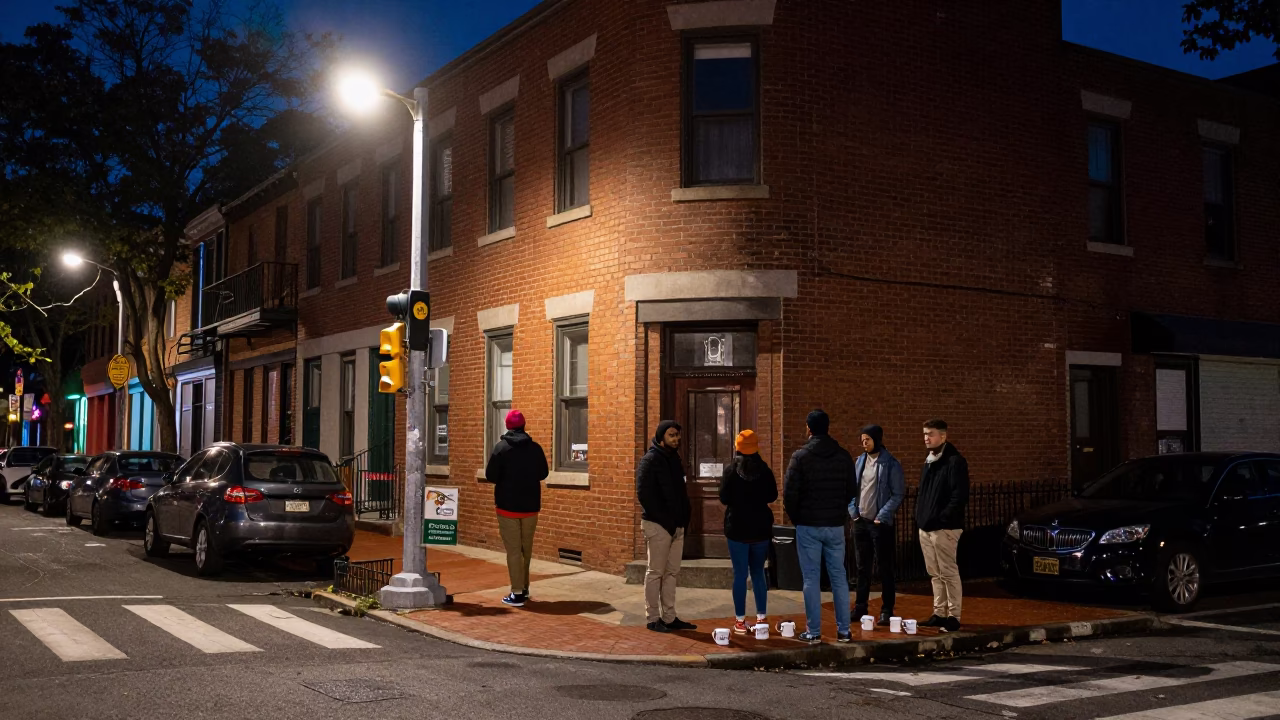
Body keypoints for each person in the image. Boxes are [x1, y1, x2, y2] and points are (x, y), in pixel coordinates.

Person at [783, 409, 856, 644]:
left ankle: (813, 631)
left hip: (808, 525)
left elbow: (789, 494)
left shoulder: (800, 457)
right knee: (839, 577)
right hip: (835, 525)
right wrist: (838, 512)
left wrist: (798, 518)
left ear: (809, 428)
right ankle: (844, 630)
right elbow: (851, 491)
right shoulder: (843, 456)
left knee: (811, 579)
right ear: (828, 427)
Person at [636, 420, 697, 633]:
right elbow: (644, 495)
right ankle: (653, 618)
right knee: (655, 572)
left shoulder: (675, 460)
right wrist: (665, 520)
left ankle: (670, 617)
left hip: (677, 526)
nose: (676, 439)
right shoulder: (650, 460)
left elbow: (680, 492)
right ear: (662, 437)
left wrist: (683, 519)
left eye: (678, 435)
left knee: (672, 573)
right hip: (658, 525)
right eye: (672, 435)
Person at [485, 409, 549, 607]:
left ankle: (517, 593)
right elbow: (543, 473)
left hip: (507, 507)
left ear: (507, 426)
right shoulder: (535, 448)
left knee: (513, 551)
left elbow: (491, 476)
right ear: (524, 425)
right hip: (530, 507)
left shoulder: (501, 448)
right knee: (526, 549)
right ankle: (525, 587)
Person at [719, 429, 778, 635]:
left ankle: (740, 621)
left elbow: (724, 498)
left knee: (740, 575)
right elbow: (773, 495)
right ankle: (762, 618)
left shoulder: (730, 471)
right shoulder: (765, 470)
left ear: (738, 448)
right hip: (760, 530)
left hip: (737, 530)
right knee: (759, 574)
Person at [915, 418, 969, 632]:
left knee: (948, 572)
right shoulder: (929, 460)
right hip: (926, 527)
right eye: (925, 434)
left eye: (931, 434)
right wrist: (920, 517)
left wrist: (943, 519)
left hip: (944, 528)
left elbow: (959, 495)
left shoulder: (954, 461)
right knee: (934, 573)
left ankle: (953, 616)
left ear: (943, 436)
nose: (926, 438)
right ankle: (939, 612)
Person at [848, 424, 905, 626]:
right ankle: (860, 607)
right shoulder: (860, 461)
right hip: (861, 522)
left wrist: (883, 515)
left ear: (877, 439)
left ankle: (887, 610)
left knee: (885, 568)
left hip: (880, 524)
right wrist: (853, 512)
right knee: (862, 568)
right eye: (862, 440)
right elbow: (851, 489)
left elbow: (898, 493)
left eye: (868, 439)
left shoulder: (890, 463)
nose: (864, 443)